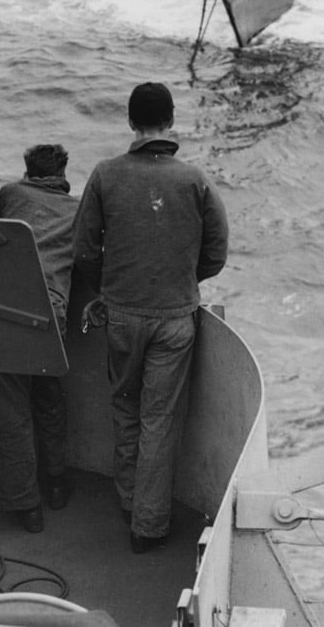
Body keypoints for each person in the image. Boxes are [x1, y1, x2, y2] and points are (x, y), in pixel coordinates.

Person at [73, 83, 228, 554]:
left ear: (130, 122)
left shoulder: (105, 175)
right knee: (159, 418)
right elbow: (216, 255)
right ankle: (149, 524)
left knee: (125, 407)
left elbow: (83, 250)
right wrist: (183, 280)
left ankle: (127, 500)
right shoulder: (195, 181)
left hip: (121, 315)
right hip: (176, 319)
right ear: (172, 120)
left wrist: (113, 287)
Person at [0, 144, 78, 533]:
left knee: (11, 410)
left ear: (28, 172)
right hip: (51, 313)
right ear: (62, 173)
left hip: (5, 309)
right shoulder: (77, 209)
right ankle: (56, 484)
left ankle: (27, 508)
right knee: (50, 400)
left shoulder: (10, 194)